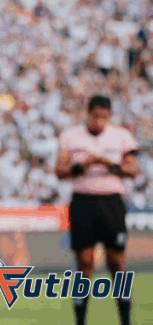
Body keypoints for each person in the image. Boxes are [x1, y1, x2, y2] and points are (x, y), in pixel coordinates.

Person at [55, 95, 141, 325]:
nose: (100, 122)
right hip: (83, 202)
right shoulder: (70, 137)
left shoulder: (122, 136)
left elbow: (132, 171)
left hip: (112, 202)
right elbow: (60, 171)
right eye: (96, 116)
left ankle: (125, 319)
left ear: (110, 116)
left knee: (117, 262)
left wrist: (106, 163)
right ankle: (81, 320)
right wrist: (85, 164)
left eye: (105, 117)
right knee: (84, 263)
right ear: (88, 114)